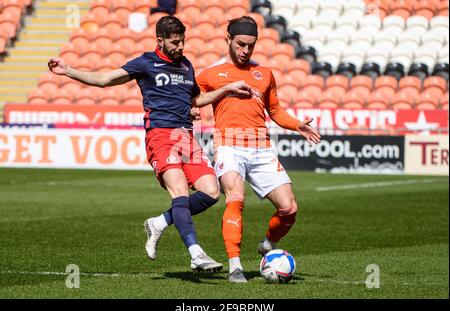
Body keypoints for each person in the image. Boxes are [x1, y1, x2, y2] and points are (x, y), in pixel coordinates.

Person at [47, 16, 250, 272]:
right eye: (175, 42)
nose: (180, 47)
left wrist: (226, 89)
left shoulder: (186, 65)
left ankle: (160, 222)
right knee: (180, 193)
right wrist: (68, 71)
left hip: (186, 136)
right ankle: (196, 253)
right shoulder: (145, 63)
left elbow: (197, 100)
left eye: (183, 42)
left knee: (211, 192)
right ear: (160, 41)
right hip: (160, 135)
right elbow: (104, 79)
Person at [195, 16, 322, 282]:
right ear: (228, 39)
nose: (245, 50)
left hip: (261, 147)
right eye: (240, 44)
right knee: (235, 198)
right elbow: (193, 99)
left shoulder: (263, 73)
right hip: (228, 144)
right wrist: (195, 107)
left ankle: (267, 245)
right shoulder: (210, 74)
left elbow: (274, 110)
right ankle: (235, 266)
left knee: (289, 209)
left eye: (251, 46)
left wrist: (297, 125)